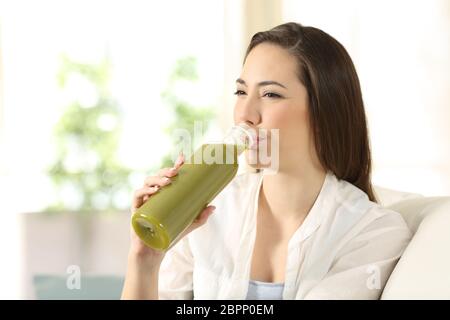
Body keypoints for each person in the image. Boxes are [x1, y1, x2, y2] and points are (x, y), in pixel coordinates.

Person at [121, 22, 411, 300]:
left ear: (325, 113)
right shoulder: (209, 213)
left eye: (270, 94)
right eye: (241, 92)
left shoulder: (372, 232)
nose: (246, 114)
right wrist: (145, 258)